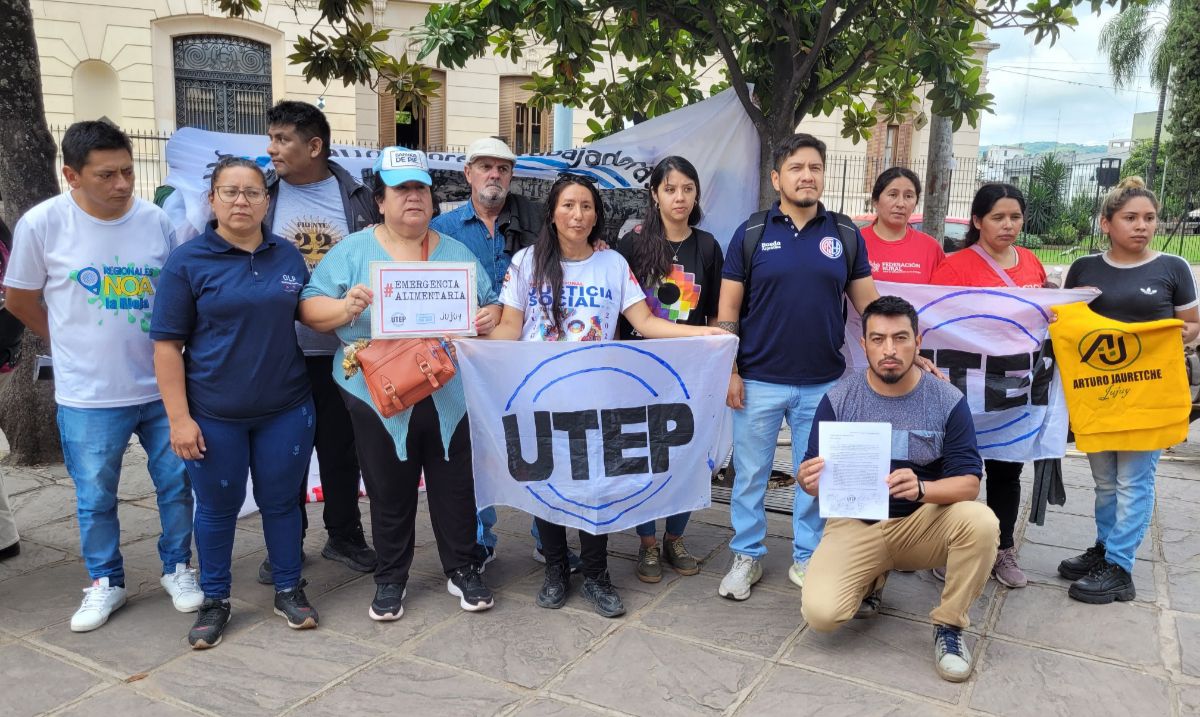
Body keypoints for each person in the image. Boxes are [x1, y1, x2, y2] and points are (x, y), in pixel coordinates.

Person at [489, 174, 727, 618]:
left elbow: (648, 323)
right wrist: (468, 342)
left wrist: (705, 333)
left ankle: (597, 575)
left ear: (597, 215)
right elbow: (508, 328)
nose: (577, 215)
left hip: (597, 397)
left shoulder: (613, 264)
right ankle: (556, 570)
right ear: (553, 213)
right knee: (549, 484)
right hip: (542, 397)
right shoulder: (525, 262)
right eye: (568, 206)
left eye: (586, 207)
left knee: (596, 487)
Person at [3, 121, 202, 632]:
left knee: (177, 485)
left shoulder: (156, 221)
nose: (122, 184)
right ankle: (105, 581)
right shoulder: (42, 224)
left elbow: (178, 293)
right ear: (71, 174)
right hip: (88, 393)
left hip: (162, 389)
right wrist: (64, 340)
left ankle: (178, 567)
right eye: (106, 175)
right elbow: (20, 299)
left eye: (128, 172)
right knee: (94, 496)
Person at [300, 147, 501, 622]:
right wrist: (345, 308)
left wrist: (488, 315)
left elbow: (493, 304)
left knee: (456, 484)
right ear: (381, 201)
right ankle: (391, 577)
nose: (414, 197)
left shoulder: (456, 253)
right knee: (389, 486)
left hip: (447, 389)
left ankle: (463, 568)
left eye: (421, 189)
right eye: (402, 189)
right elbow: (309, 306)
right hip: (376, 391)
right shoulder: (352, 251)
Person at [151, 157, 317, 648]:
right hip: (214, 413)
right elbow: (166, 347)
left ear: (267, 202)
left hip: (285, 407)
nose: (241, 201)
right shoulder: (188, 261)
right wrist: (179, 420)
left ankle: (289, 588)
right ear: (212, 200)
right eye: (230, 192)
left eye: (251, 193)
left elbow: (307, 311)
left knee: (281, 503)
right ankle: (215, 600)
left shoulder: (287, 256)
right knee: (217, 508)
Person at [715, 133, 879, 601]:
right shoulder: (751, 233)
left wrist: (901, 345)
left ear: (824, 175)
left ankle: (808, 557)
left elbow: (869, 306)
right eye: (796, 168)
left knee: (815, 474)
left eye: (815, 167)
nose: (807, 175)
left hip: (824, 381)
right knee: (750, 475)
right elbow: (728, 310)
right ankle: (747, 554)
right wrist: (730, 370)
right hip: (759, 380)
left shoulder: (844, 234)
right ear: (776, 178)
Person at [798, 295, 996, 683]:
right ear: (863, 343)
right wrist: (809, 482)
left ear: (918, 342)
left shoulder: (946, 400)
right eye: (878, 339)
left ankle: (949, 627)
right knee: (821, 615)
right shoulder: (839, 399)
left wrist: (923, 487)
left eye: (900, 338)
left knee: (981, 522)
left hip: (921, 523)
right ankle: (871, 578)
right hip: (857, 524)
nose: (889, 349)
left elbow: (970, 484)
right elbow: (815, 482)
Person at [429, 137, 573, 571]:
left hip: (528, 357)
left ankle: (545, 537)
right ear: (468, 172)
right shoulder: (444, 229)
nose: (495, 175)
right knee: (473, 448)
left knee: (539, 445)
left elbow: (574, 248)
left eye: (503, 169)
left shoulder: (538, 221)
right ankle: (479, 540)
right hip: (468, 358)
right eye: (486, 167)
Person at [1056, 177, 1199, 603]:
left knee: (1135, 480)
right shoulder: (1084, 268)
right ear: (1106, 223)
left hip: (1150, 397)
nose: (1142, 226)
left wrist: (1152, 341)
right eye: (1130, 218)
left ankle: (1120, 567)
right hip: (1099, 395)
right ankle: (1105, 548)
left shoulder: (1173, 268)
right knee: (1104, 480)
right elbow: (1068, 325)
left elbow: (1191, 326)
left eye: (1150, 218)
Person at [260, 100, 380, 584]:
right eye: (271, 138)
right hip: (279, 348)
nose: (272, 149)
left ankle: (344, 534)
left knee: (341, 446)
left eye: (282, 139)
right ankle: (286, 542)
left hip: (345, 350)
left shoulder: (358, 197)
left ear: (315, 146)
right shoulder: (261, 194)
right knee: (282, 449)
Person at [929, 183, 1046, 589]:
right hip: (965, 386)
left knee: (1006, 470)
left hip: (1013, 389)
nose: (1008, 225)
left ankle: (1002, 548)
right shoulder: (955, 266)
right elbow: (936, 324)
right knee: (959, 468)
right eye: (998, 217)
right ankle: (952, 548)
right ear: (978, 221)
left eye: (1015, 217)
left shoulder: (1031, 263)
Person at [614, 156, 723, 583]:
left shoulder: (709, 246)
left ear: (696, 194)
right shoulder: (634, 244)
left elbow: (715, 312)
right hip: (641, 368)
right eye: (670, 189)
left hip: (692, 371)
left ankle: (676, 537)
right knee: (646, 455)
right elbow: (622, 313)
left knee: (687, 456)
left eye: (688, 189)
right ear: (655, 194)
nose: (680, 197)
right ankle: (647, 545)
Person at [861, 167, 945, 283]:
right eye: (893, 195)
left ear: (915, 203)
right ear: (875, 201)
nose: (901, 204)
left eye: (908, 196)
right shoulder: (856, 242)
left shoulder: (931, 249)